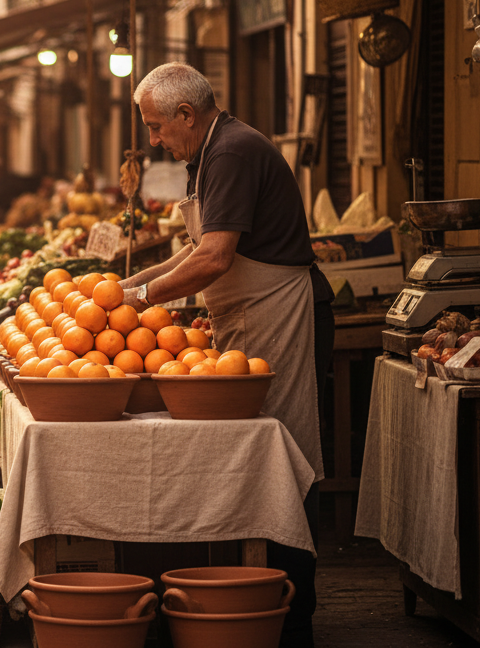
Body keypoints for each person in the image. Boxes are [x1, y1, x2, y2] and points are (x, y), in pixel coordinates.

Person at [119, 62, 333, 648]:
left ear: (187, 114)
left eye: (158, 127)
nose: (155, 140)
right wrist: (126, 287)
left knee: (287, 455)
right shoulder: (208, 154)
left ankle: (293, 610)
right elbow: (194, 249)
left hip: (284, 315)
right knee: (261, 455)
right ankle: (256, 592)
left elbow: (213, 259)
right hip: (249, 316)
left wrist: (136, 300)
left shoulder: (232, 152)